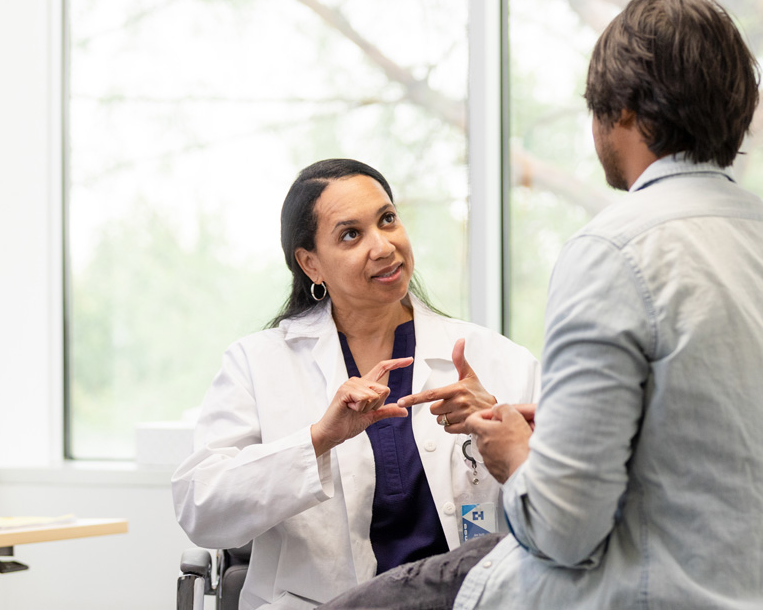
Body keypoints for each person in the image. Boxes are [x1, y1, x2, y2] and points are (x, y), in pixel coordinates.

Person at [323, 0, 763, 610]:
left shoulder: (615, 251)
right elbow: (726, 454)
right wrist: (564, 435)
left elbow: (562, 530)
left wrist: (517, 459)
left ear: (623, 111)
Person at [171, 159, 541, 610]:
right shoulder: (258, 363)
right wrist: (317, 440)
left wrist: (504, 426)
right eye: (351, 234)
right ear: (311, 264)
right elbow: (201, 508)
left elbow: (569, 500)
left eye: (388, 219)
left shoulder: (494, 358)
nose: (383, 246)